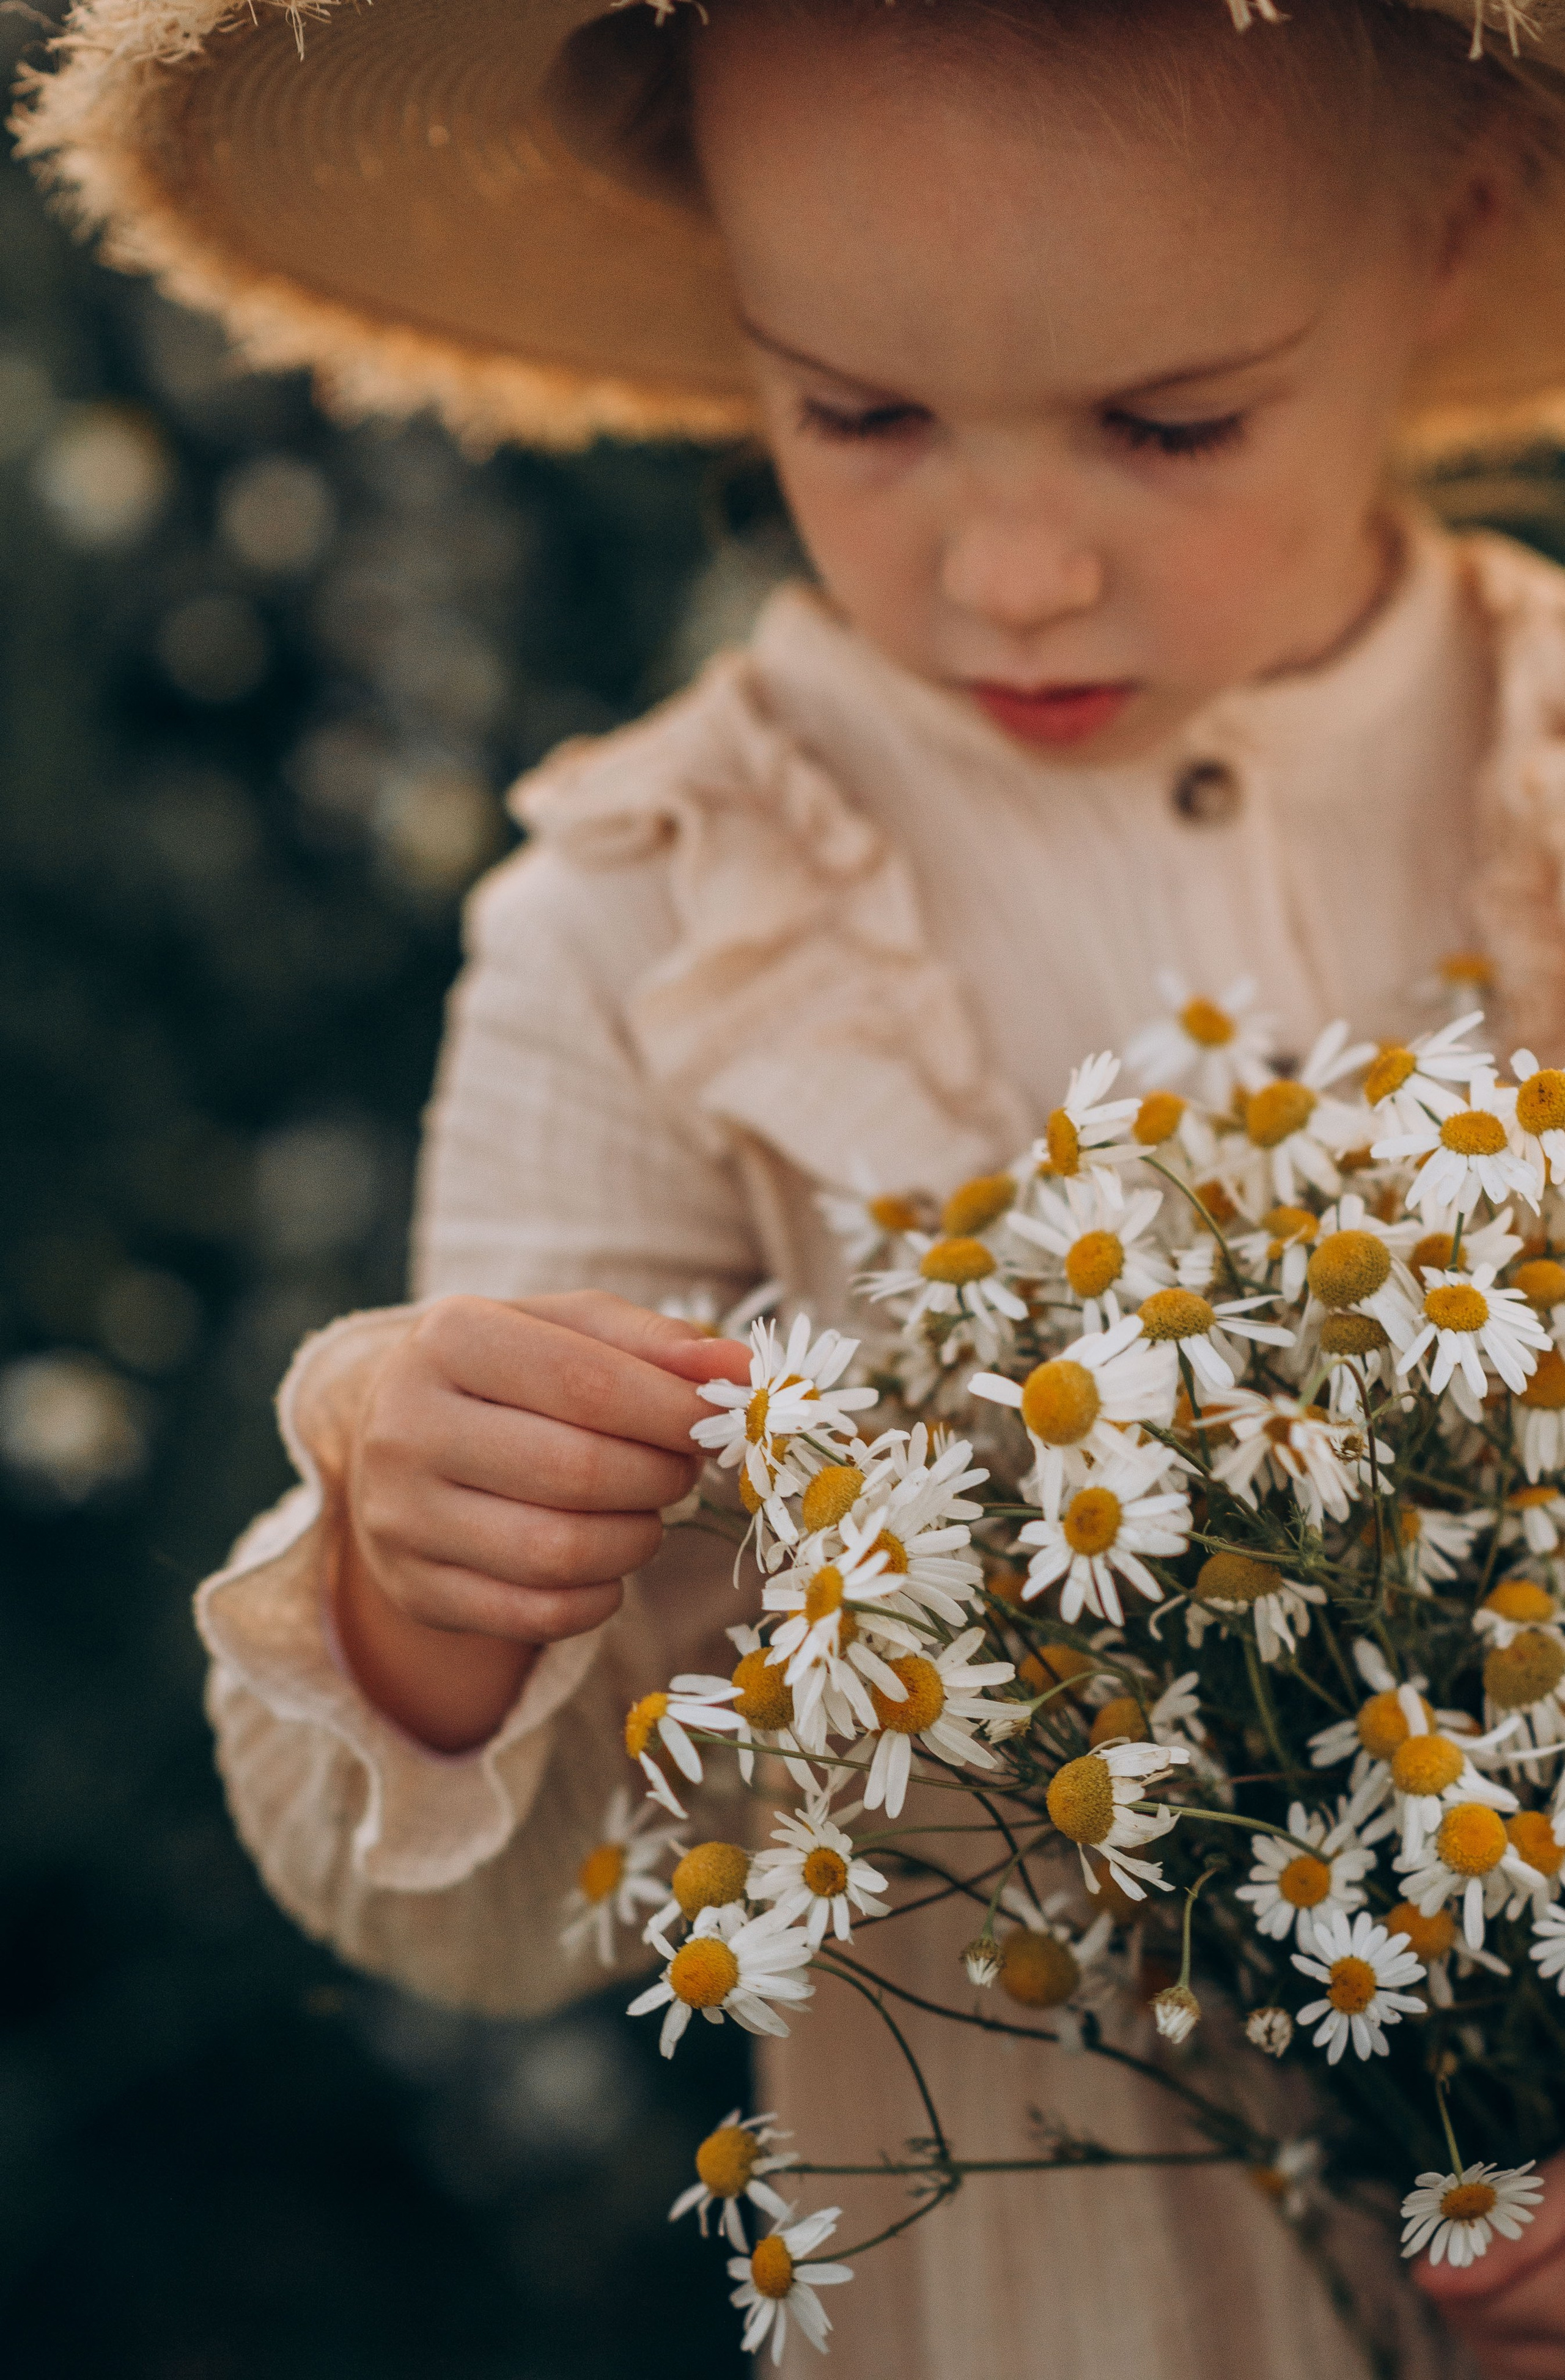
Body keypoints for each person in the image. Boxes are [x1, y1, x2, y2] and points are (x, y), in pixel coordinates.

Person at [19, 0, 1565, 2367]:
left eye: (1172, 423)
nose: (1016, 569)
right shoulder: (668, 911)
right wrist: (436, 1559)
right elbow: (485, 1908)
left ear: (1455, 234)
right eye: (859, 411)